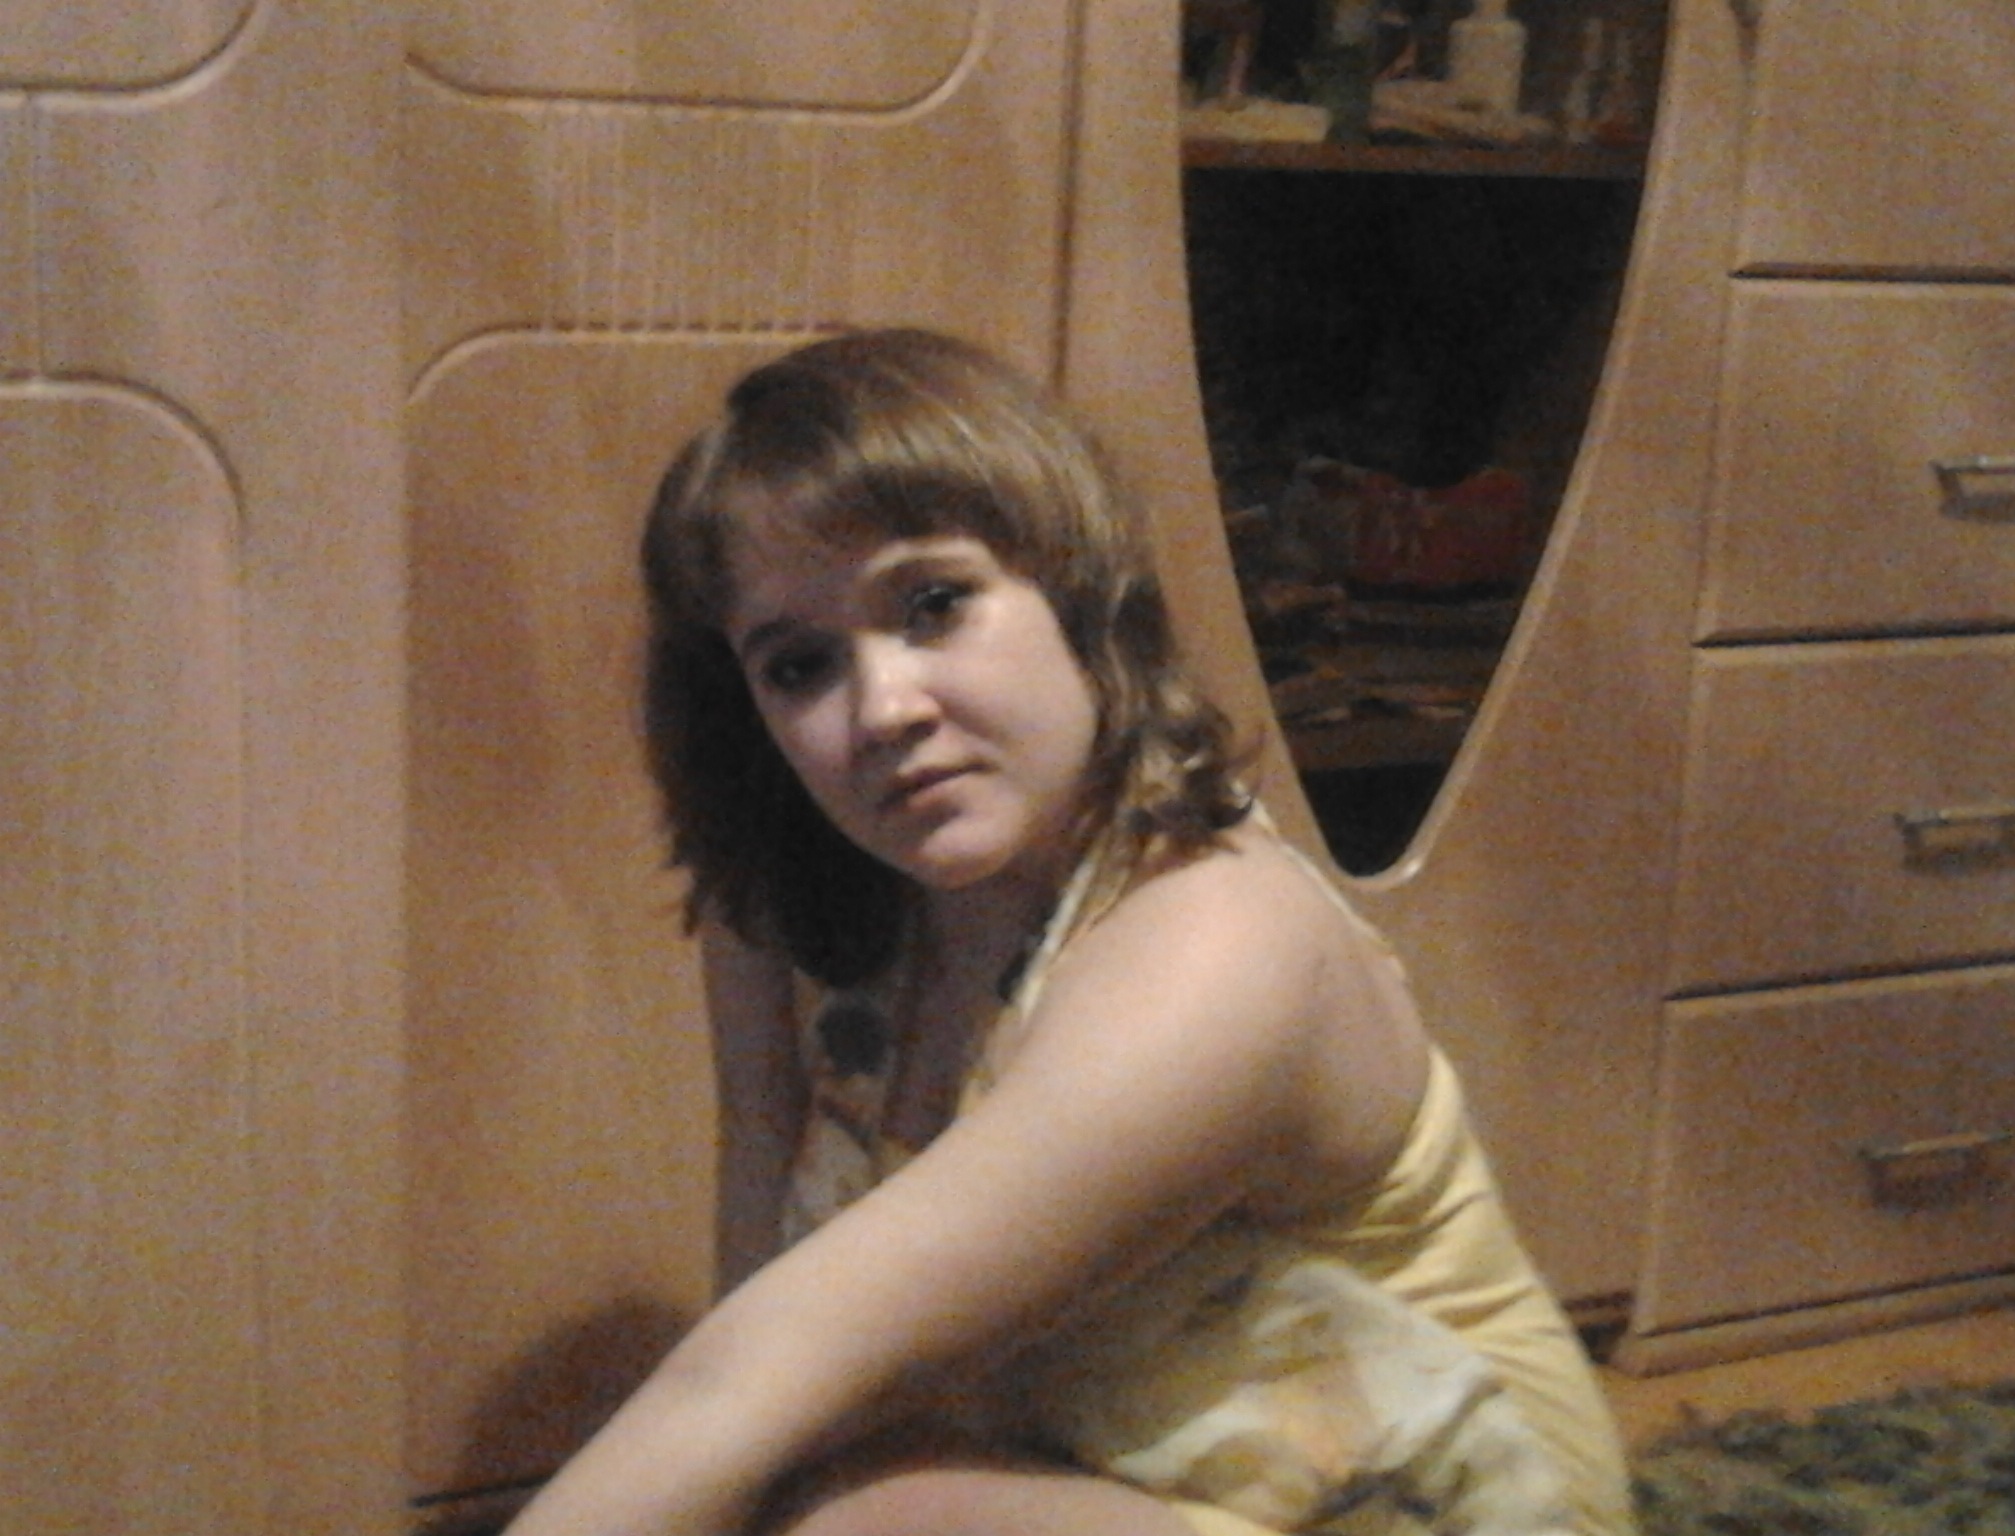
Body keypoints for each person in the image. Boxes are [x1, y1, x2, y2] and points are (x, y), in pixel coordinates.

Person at [504, 328, 1634, 1536]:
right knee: (806, 1486)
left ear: (1076, 592)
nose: (882, 708)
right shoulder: (786, 901)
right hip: (1113, 1474)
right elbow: (758, 1313)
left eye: (933, 605)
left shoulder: (1215, 937)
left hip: (1436, 1506)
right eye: (798, 665)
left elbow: (749, 1381)